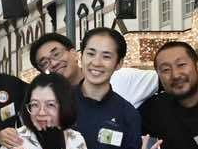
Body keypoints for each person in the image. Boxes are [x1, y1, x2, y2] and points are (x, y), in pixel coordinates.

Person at [70, 28, 152, 149]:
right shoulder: (58, 102)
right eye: (91, 53)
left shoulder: (127, 114)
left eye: (106, 56)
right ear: (81, 56)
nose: (96, 62)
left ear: (119, 63)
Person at [30, 31, 161, 109]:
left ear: (74, 53)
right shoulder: (49, 105)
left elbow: (165, 77)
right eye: (44, 63)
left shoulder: (121, 78)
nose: (53, 63)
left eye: (56, 54)